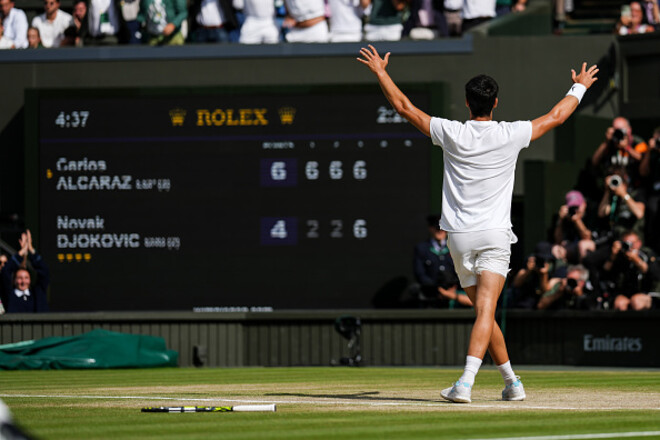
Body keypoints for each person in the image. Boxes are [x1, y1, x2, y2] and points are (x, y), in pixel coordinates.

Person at [357, 44, 598, 403]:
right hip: (493, 236)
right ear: (495, 103)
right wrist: (579, 87)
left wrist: (380, 72)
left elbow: (404, 108)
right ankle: (471, 383)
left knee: (483, 311)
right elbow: (556, 117)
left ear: (468, 104)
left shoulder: (452, 132)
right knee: (486, 312)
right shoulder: (511, 133)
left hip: (459, 238)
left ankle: (508, 383)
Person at [582, 230, 659, 311]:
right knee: (620, 304)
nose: (629, 246)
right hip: (623, 293)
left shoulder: (646, 254)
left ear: (639, 243)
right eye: (626, 244)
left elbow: (653, 274)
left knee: (636, 302)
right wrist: (612, 257)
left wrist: (636, 260)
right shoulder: (618, 256)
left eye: (632, 243)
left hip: (646, 293)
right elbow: (604, 274)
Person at [413, 215, 472, 308]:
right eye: (436, 228)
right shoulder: (422, 249)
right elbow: (420, 274)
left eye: (442, 228)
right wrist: (437, 289)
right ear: (430, 228)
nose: (439, 231)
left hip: (455, 296)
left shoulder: (455, 248)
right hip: (431, 297)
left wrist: (452, 290)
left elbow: (463, 271)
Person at [0, 230, 50, 313]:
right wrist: (22, 251)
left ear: (30, 280)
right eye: (19, 278)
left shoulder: (37, 294)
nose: (23, 281)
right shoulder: (10, 295)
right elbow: (5, 271)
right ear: (14, 280)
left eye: (26, 278)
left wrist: (31, 250)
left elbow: (44, 271)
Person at [552, 189, 595, 264]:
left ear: (584, 204)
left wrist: (577, 221)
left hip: (586, 249)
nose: (575, 210)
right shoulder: (564, 218)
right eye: (572, 207)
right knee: (556, 248)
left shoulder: (590, 216)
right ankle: (562, 273)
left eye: (577, 206)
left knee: (583, 245)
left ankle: (582, 273)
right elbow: (558, 240)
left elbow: (587, 238)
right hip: (569, 249)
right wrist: (560, 220)